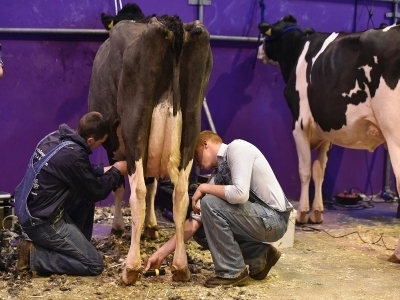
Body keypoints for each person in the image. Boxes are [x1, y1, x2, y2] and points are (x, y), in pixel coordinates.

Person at [145, 130, 293, 287]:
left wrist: (204, 188)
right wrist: (160, 254)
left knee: (209, 202)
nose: (195, 162)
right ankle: (260, 256)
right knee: (202, 231)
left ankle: (233, 271)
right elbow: (195, 222)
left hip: (274, 219)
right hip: (260, 219)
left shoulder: (237, 148)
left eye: (195, 154)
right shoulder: (218, 175)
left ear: (205, 144)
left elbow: (240, 194)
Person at [14, 112, 127, 277]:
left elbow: (78, 171)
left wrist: (103, 170)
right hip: (41, 222)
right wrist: (116, 171)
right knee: (93, 265)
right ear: (90, 140)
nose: (99, 146)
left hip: (29, 208)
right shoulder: (74, 156)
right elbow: (97, 191)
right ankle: (32, 256)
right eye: (100, 143)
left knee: (84, 196)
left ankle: (74, 247)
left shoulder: (57, 137)